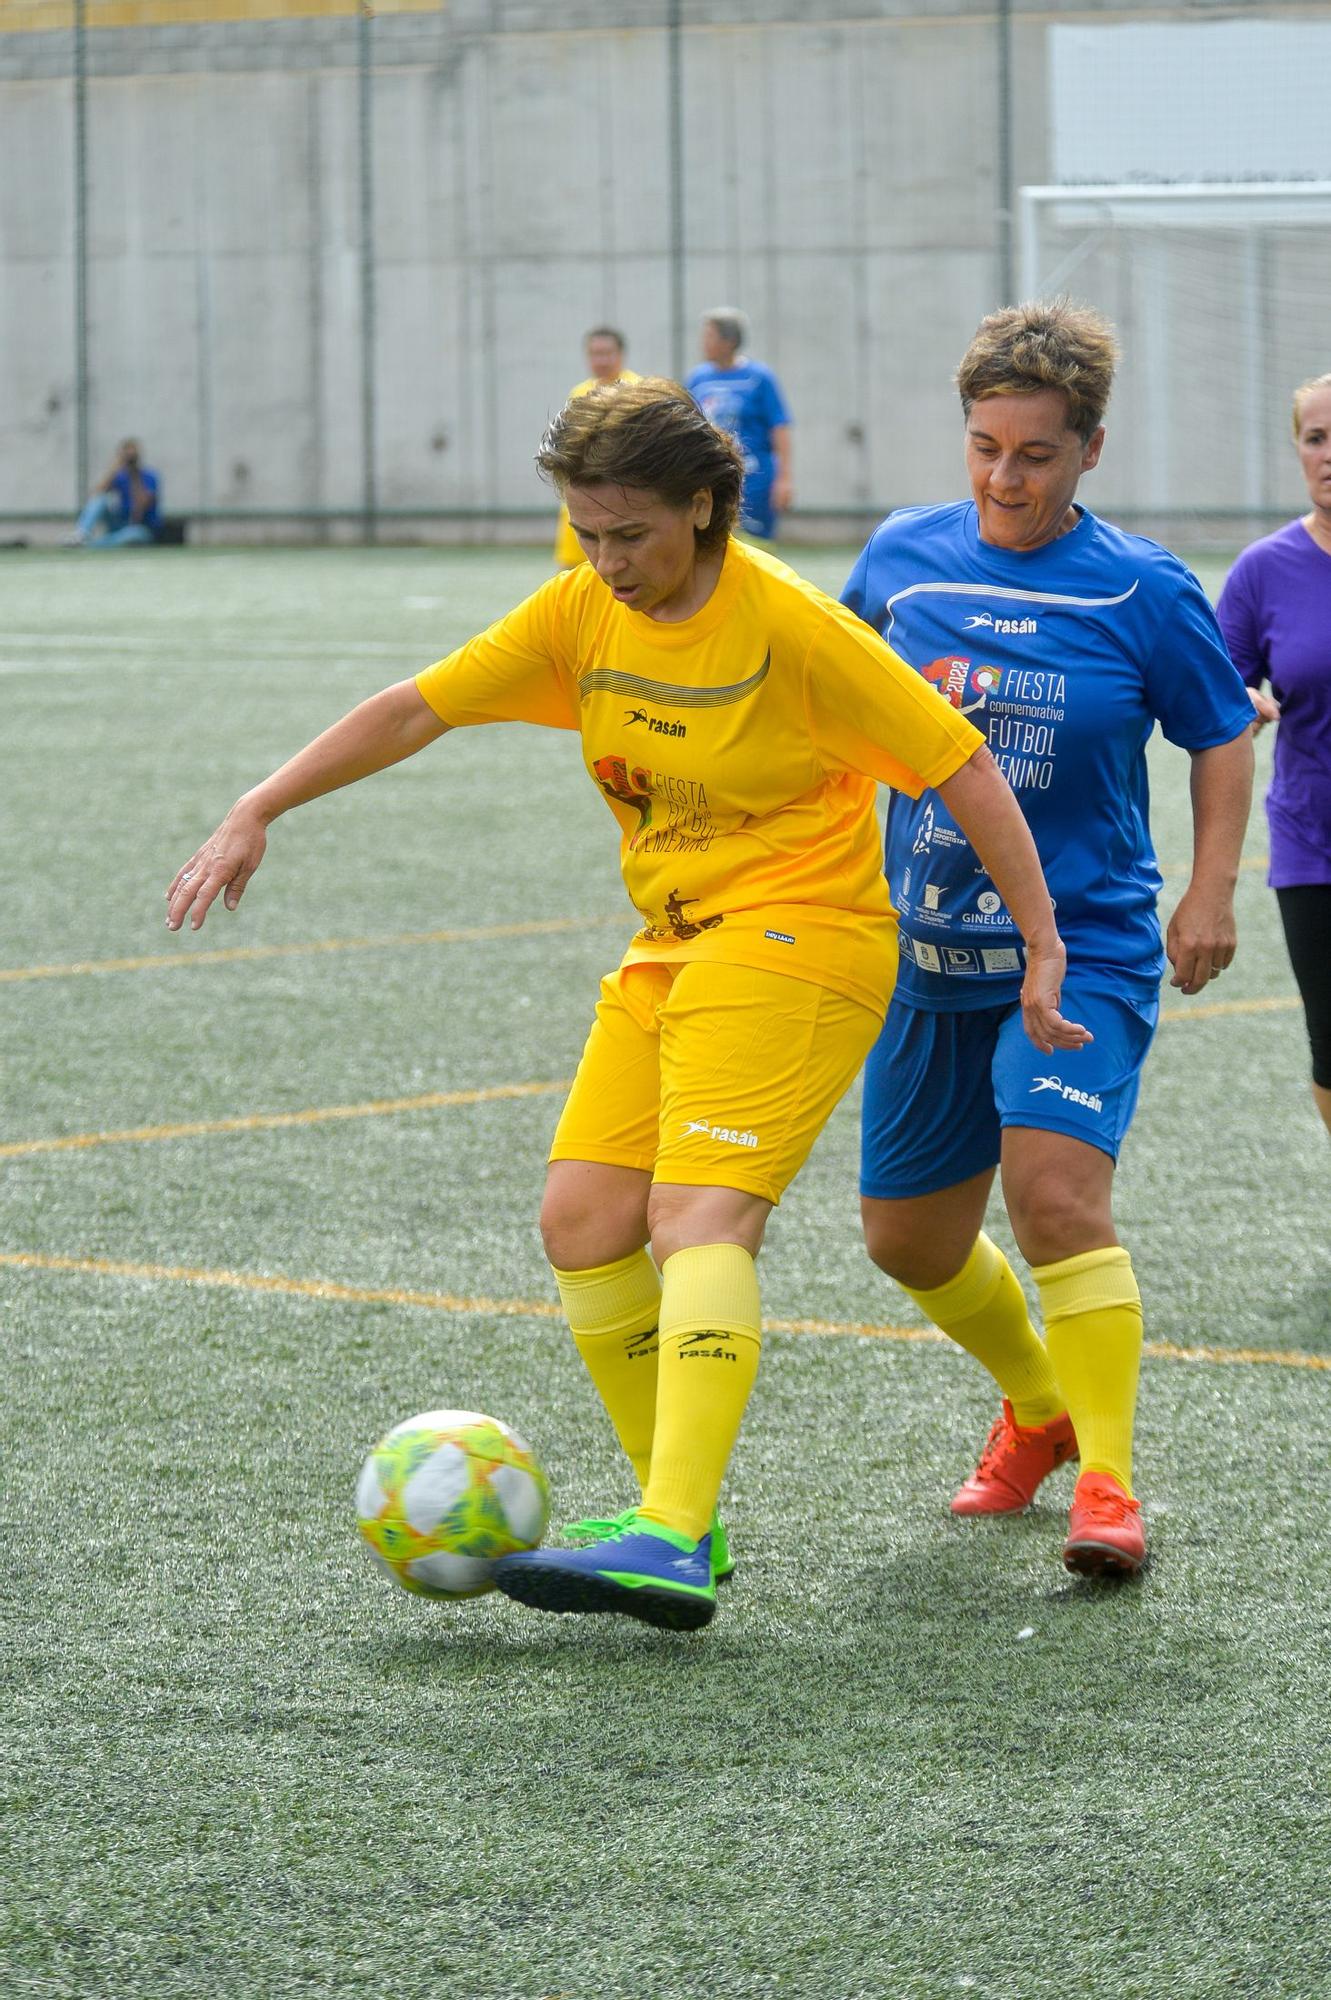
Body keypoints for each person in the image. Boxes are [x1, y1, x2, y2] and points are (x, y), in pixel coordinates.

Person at [166, 376, 1083, 1633]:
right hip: (671, 942)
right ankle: (686, 1521)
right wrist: (257, 805)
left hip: (805, 935)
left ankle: (665, 1529)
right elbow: (415, 707)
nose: (606, 561)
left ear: (701, 508)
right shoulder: (579, 612)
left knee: (694, 1215)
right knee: (582, 1220)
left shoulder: (792, 628)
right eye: (586, 533)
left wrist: (1041, 943)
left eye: (630, 534)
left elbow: (961, 766)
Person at [842, 299, 1257, 1578]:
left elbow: (1220, 733)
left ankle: (1112, 1490)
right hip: (923, 959)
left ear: (1087, 449)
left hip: (1084, 948)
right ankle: (1038, 1403)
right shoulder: (902, 559)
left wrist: (1208, 891)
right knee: (903, 1239)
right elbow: (828, 700)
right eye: (981, 447)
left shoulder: (1139, 589)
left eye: (1031, 453)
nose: (1001, 477)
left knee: (1055, 1198)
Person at [1217, 374, 1331, 1138]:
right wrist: (1241, 706)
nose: (1327, 454)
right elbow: (1210, 691)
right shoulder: (1263, 570)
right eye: (1315, 438)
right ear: (1295, 449)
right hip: (1313, 846)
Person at [686, 309, 792, 541]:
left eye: (710, 336)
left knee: (756, 545)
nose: (703, 343)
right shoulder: (698, 378)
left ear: (729, 341)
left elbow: (780, 427)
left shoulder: (759, 378)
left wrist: (784, 479)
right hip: (712, 476)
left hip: (755, 478)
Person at [552, 328, 639, 569]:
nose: (600, 360)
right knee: (570, 572)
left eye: (606, 353)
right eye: (594, 353)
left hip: (620, 494)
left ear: (620, 354)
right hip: (582, 492)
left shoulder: (638, 391)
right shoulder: (579, 392)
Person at [68, 439, 161, 547]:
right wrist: (115, 467)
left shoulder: (150, 477)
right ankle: (81, 534)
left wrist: (135, 476)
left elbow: (140, 507)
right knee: (100, 499)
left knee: (131, 535)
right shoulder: (121, 476)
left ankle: (92, 545)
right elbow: (95, 495)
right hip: (119, 523)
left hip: (141, 528)